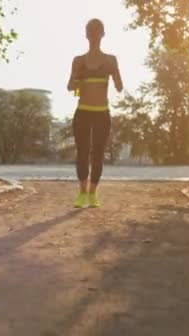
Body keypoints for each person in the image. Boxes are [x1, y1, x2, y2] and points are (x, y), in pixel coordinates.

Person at [67, 18, 123, 208]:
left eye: (97, 32)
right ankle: (82, 193)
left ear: (103, 34)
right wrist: (77, 78)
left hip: (102, 113)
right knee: (82, 153)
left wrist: (114, 71)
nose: (94, 36)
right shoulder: (78, 61)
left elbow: (119, 87)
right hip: (83, 112)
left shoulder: (111, 60)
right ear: (86, 35)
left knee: (98, 154)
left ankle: (93, 193)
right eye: (91, 32)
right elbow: (69, 86)